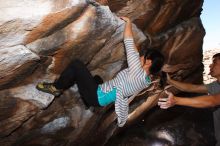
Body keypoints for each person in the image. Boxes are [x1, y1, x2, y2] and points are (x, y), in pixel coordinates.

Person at [36, 17, 165, 127]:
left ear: (149, 62)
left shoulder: (137, 70)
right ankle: (87, 100)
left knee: (77, 65)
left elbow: (129, 42)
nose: (140, 56)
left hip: (97, 96)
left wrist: (129, 22)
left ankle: (55, 88)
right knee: (97, 78)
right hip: (101, 100)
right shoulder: (146, 80)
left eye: (144, 56)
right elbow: (135, 57)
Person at [158, 53, 220, 145]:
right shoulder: (215, 85)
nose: (210, 65)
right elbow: (191, 88)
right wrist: (169, 80)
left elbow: (213, 101)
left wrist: (177, 100)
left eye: (214, 62)